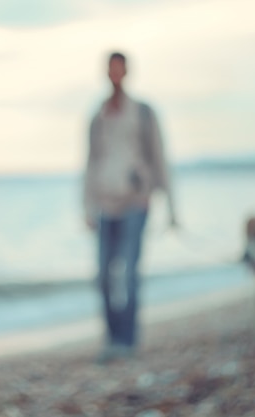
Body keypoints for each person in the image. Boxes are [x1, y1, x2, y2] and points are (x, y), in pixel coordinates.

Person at [82, 51, 176, 364]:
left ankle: (128, 341)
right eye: (110, 70)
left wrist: (171, 207)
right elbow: (90, 163)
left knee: (129, 272)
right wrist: (87, 206)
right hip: (104, 205)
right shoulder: (98, 116)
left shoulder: (143, 113)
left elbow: (159, 156)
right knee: (104, 275)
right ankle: (112, 338)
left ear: (127, 73)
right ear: (106, 73)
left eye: (119, 70)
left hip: (136, 202)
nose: (115, 75)